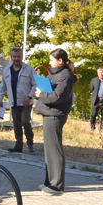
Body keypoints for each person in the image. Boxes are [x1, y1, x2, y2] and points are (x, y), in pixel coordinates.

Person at [35, 49, 76, 195]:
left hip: (55, 114)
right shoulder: (56, 73)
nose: (49, 63)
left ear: (60, 61)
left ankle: (57, 185)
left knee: (55, 149)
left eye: (52, 60)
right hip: (49, 113)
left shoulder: (65, 75)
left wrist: (41, 94)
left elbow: (57, 96)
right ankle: (49, 181)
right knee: (49, 150)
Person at [0, 46, 36, 153]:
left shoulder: (29, 69)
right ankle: (19, 145)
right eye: (14, 56)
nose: (16, 59)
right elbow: (3, 86)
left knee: (25, 122)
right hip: (14, 101)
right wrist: (0, 99)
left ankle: (30, 143)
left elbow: (34, 85)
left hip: (26, 101)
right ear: (11, 57)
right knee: (17, 124)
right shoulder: (7, 70)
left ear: (22, 57)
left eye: (18, 56)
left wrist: (29, 96)